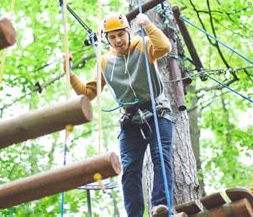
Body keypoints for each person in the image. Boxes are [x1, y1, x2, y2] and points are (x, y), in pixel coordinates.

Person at [66, 12, 174, 217]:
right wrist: (69, 74)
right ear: (107, 39)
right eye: (112, 37)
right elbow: (88, 93)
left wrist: (149, 25)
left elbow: (164, 48)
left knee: (161, 156)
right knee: (130, 169)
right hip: (131, 121)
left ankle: (160, 207)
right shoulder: (106, 62)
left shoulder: (143, 45)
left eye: (120, 35)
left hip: (157, 112)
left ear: (128, 32)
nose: (118, 40)